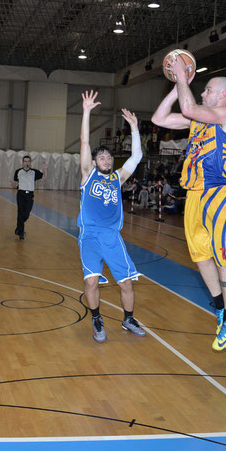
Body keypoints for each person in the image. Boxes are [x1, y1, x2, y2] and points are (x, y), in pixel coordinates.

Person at [152, 63, 226, 352]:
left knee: (222, 255)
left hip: (217, 193)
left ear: (223, 95)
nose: (203, 92)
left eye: (209, 89)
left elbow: (189, 107)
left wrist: (181, 79)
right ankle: (218, 306)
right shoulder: (198, 122)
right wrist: (176, 83)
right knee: (201, 256)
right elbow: (159, 117)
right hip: (194, 195)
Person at [77, 90, 145, 343]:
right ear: (94, 163)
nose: (106, 159)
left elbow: (136, 157)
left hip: (112, 237)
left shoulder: (117, 178)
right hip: (90, 236)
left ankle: (128, 318)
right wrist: (86, 112)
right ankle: (96, 318)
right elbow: (84, 143)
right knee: (92, 281)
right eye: (101, 157)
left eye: (108, 157)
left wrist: (135, 128)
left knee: (126, 283)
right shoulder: (88, 176)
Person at [10, 155, 47, 240]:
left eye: (28, 161)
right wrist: (13, 184)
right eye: (25, 161)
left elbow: (44, 177)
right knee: (20, 212)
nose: (27, 163)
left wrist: (45, 168)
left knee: (26, 214)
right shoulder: (18, 171)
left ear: (30, 163)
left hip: (29, 195)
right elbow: (16, 183)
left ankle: (18, 229)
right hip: (20, 194)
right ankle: (21, 234)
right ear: (22, 162)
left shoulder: (34, 172)